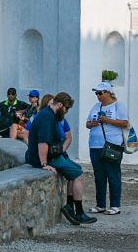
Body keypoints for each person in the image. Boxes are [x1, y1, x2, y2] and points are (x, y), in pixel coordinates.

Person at [26, 91, 95, 225]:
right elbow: (43, 143)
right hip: (47, 158)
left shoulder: (48, 114)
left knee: (75, 171)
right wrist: (44, 164)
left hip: (53, 155)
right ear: (60, 105)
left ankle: (70, 207)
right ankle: (79, 212)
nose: (66, 112)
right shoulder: (47, 118)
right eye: (66, 109)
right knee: (78, 174)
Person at [85, 81, 129, 215]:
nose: (98, 95)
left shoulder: (118, 106)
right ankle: (100, 205)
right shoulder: (96, 106)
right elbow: (87, 124)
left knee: (113, 174)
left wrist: (107, 120)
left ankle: (115, 205)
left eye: (100, 93)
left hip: (112, 145)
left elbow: (125, 122)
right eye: (96, 93)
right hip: (95, 145)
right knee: (99, 176)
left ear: (109, 93)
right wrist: (93, 123)